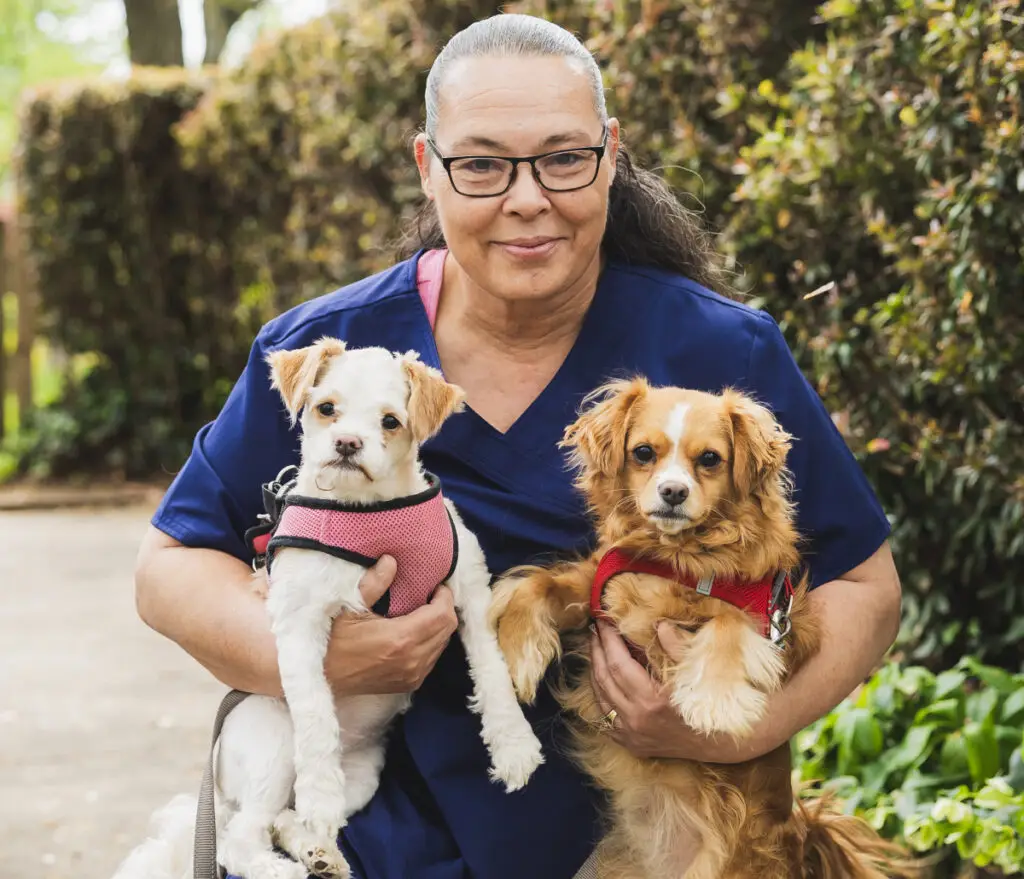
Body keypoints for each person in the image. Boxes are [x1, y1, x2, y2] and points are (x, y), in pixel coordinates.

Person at [135, 12, 902, 879]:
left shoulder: (722, 352)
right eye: (483, 164)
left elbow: (863, 585)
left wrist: (747, 725)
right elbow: (171, 565)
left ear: (610, 156)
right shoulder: (336, 353)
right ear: (429, 169)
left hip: (630, 846)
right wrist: (312, 654)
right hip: (356, 836)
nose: (527, 197)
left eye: (564, 158)